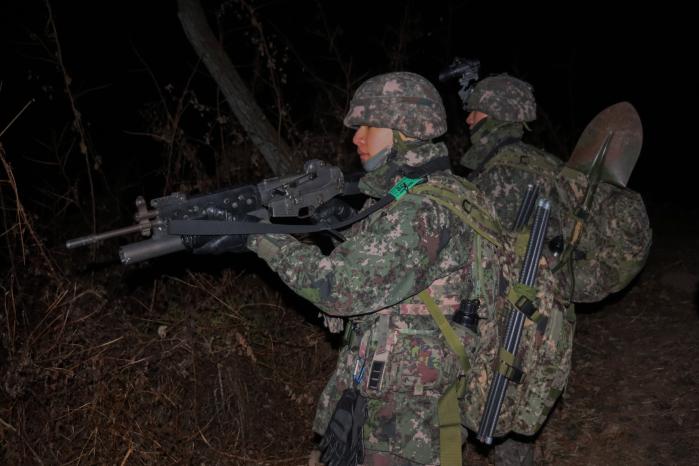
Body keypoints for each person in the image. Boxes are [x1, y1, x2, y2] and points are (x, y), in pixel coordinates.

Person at [242, 72, 503, 464]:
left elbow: (341, 289)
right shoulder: (428, 190)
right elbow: (379, 258)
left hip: (403, 422)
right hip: (393, 404)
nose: (356, 138)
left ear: (403, 131)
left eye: (368, 126)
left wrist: (264, 239)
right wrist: (330, 216)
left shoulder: (421, 209)